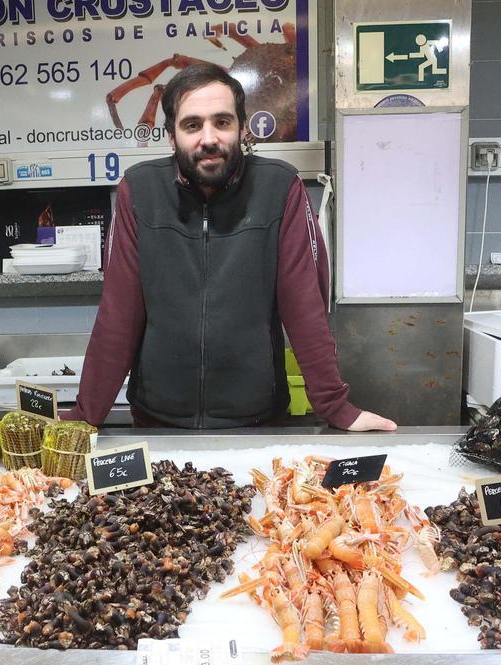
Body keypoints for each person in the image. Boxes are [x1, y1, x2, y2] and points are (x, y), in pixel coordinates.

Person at [62, 64, 396, 432]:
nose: (209, 138)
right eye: (192, 125)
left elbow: (305, 308)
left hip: (257, 421)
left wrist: (336, 408)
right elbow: (118, 313)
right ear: (172, 136)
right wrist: (85, 416)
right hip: (158, 422)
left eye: (222, 122)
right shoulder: (139, 190)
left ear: (241, 128)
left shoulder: (279, 187)